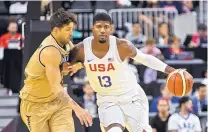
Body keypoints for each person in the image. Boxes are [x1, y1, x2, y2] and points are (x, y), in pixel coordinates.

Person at [67, 13, 193, 132]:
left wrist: (170, 70)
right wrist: (77, 65)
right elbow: (65, 67)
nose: (102, 30)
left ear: (111, 28)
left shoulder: (122, 46)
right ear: (92, 28)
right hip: (107, 98)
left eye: (106, 27)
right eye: (98, 26)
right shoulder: (81, 50)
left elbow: (145, 58)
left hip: (131, 95)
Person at [19, 8, 92, 132]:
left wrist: (75, 66)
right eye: (68, 30)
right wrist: (77, 108)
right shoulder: (50, 51)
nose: (71, 33)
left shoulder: (67, 42)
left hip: (58, 101)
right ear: (55, 30)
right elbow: (56, 87)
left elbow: (87, 60)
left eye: (72, 29)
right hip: (36, 105)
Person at [0, 21, 23, 95]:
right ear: (8, 28)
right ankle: (8, 87)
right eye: (12, 27)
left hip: (17, 58)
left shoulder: (20, 37)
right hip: (7, 58)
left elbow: (22, 46)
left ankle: (17, 87)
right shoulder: (3, 37)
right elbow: (2, 47)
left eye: (15, 27)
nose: (13, 29)